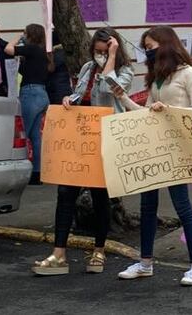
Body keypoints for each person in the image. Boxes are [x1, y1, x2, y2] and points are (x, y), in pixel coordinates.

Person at [32, 28, 135, 277]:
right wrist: (70, 99)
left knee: (100, 197)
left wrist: (111, 58)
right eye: (97, 50)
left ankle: (99, 251)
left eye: (104, 50)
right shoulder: (88, 67)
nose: (99, 55)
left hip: (104, 140)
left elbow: (112, 90)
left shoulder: (125, 70)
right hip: (79, 139)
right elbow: (80, 94)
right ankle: (59, 253)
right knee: (66, 193)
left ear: (114, 48)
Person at [114, 26, 192, 287]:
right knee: (147, 206)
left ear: (165, 45)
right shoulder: (156, 77)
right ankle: (145, 263)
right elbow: (146, 112)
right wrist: (123, 99)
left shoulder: (187, 73)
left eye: (150, 46)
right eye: (145, 47)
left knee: (182, 205)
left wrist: (169, 109)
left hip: (177, 146)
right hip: (153, 146)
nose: (147, 51)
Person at [4, 24, 53, 185]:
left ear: (31, 35)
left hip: (30, 94)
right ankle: (38, 172)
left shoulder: (32, 49)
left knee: (22, 133)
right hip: (42, 94)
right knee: (35, 136)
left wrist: (17, 36)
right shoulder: (43, 53)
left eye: (26, 32)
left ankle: (19, 169)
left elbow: (8, 49)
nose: (24, 35)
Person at [47, 30, 72, 105]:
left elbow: (50, 69)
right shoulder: (66, 53)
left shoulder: (53, 54)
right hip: (65, 87)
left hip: (54, 89)